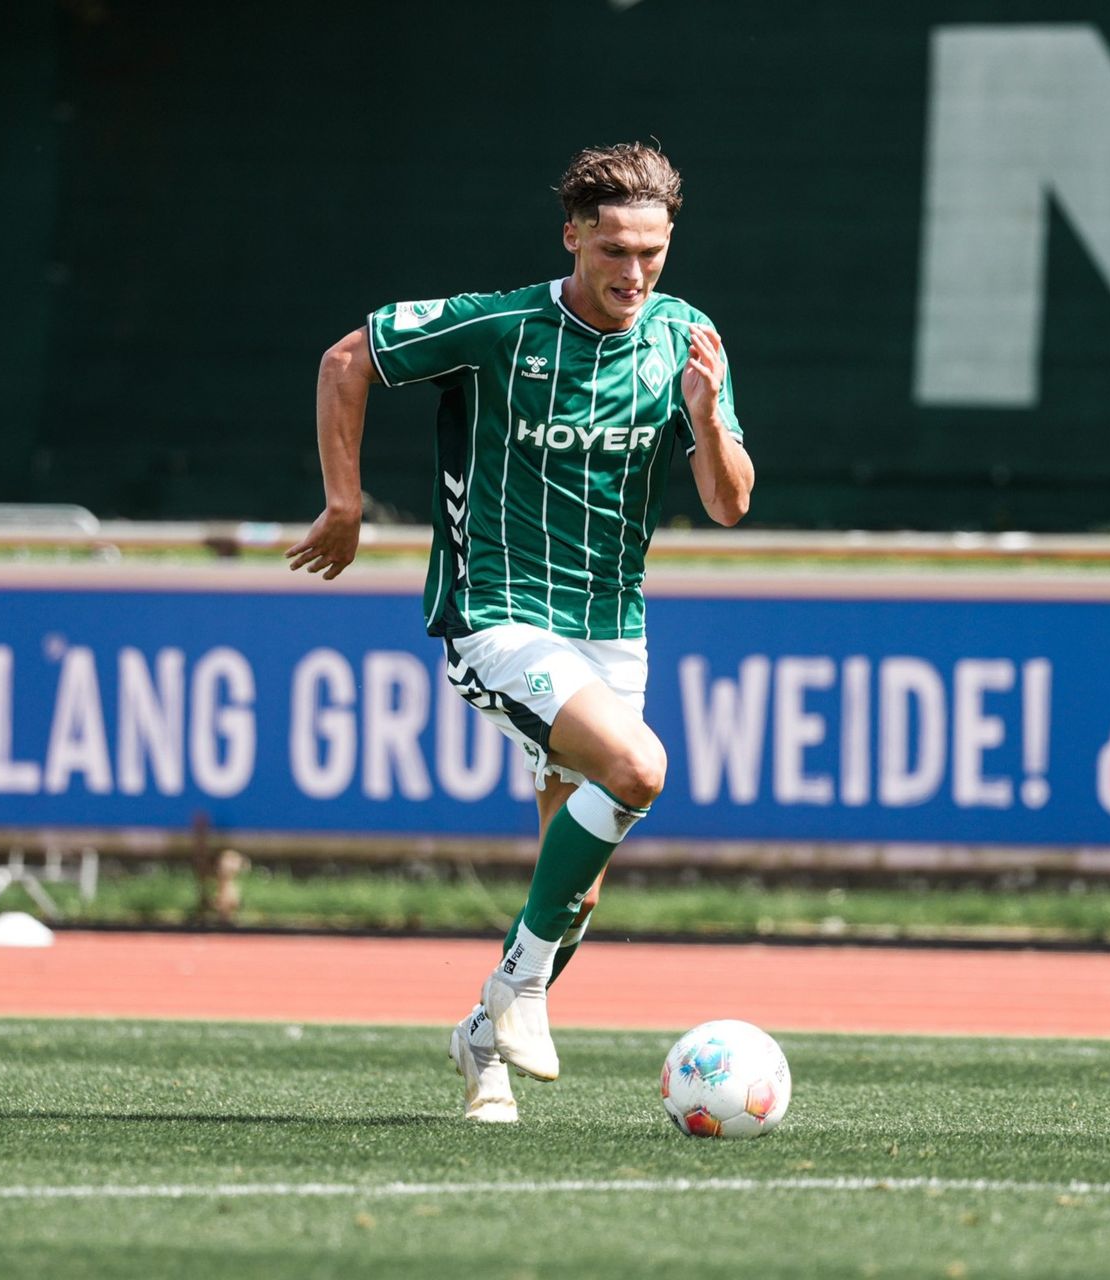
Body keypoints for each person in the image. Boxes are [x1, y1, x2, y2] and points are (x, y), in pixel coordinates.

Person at [287, 143, 754, 1122]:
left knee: (574, 887)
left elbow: (727, 502)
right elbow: (346, 358)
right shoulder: (502, 325)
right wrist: (343, 502)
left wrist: (710, 422)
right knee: (639, 768)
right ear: (573, 235)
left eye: (653, 254)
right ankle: (519, 991)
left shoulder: (687, 338)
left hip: (612, 632)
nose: (633, 274)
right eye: (615, 250)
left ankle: (480, 1025)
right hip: (495, 615)